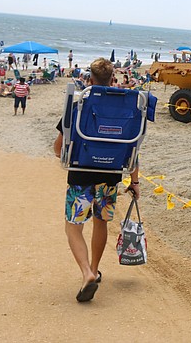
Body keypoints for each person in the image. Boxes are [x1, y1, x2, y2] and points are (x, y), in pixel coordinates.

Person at [53, 57, 140, 302]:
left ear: (89, 79)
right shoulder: (127, 107)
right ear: (113, 79)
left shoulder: (79, 104)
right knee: (101, 223)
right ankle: (95, 267)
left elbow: (59, 148)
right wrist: (134, 182)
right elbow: (133, 148)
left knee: (73, 225)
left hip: (81, 173)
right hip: (109, 176)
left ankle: (86, 273)